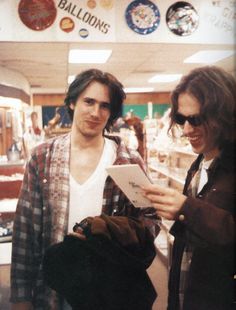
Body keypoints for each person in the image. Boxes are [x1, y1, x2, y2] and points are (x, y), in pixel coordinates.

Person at [10, 69, 159, 309]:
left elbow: (150, 220)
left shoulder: (126, 160)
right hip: (52, 290)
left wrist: (113, 231)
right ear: (72, 102)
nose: (95, 112)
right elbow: (25, 231)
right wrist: (21, 297)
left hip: (110, 292)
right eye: (88, 101)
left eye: (104, 106)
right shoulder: (42, 157)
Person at [142, 66, 235, 310]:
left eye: (195, 119)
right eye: (181, 119)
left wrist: (186, 208)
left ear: (222, 114)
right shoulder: (199, 163)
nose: (186, 130)